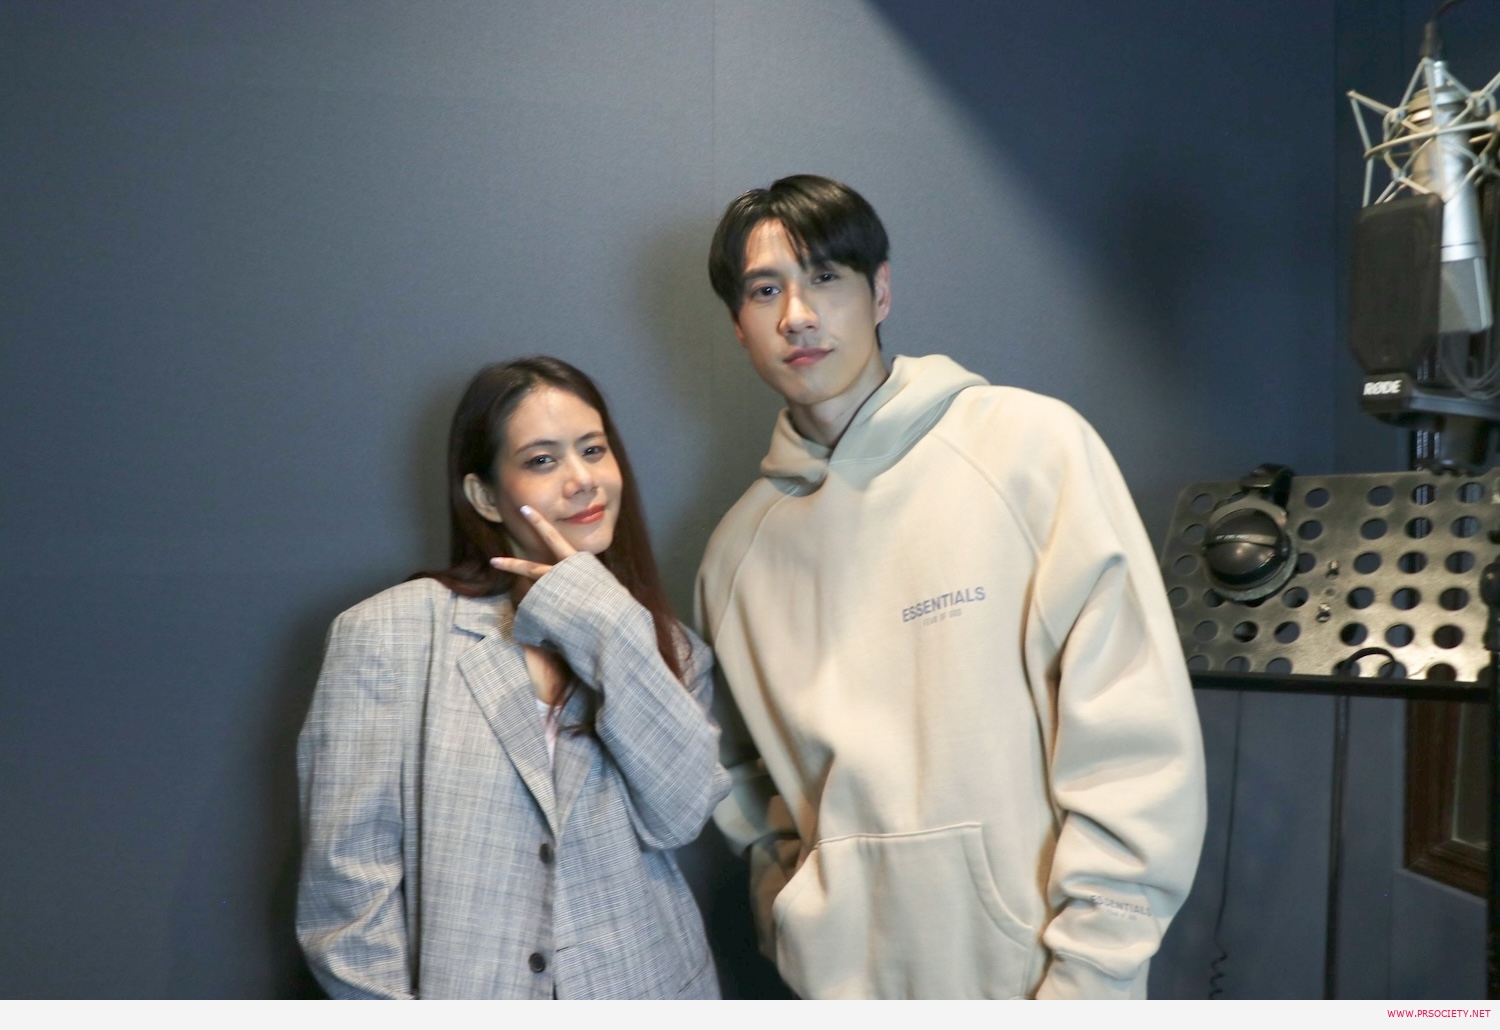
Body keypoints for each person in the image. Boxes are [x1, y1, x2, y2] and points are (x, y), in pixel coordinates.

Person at [697, 175, 1208, 1000]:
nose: (796, 314)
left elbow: (1134, 735)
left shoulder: (1032, 450)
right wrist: (798, 926)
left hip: (1043, 985)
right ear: (738, 325)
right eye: (765, 290)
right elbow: (746, 787)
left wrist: (1091, 977)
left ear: (881, 291)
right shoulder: (736, 556)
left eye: (824, 276)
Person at [297, 356, 730, 999]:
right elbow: (347, 892)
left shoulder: (669, 649)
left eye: (593, 450)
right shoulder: (388, 635)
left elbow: (680, 815)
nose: (582, 480)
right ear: (484, 496)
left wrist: (607, 623)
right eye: (542, 460)